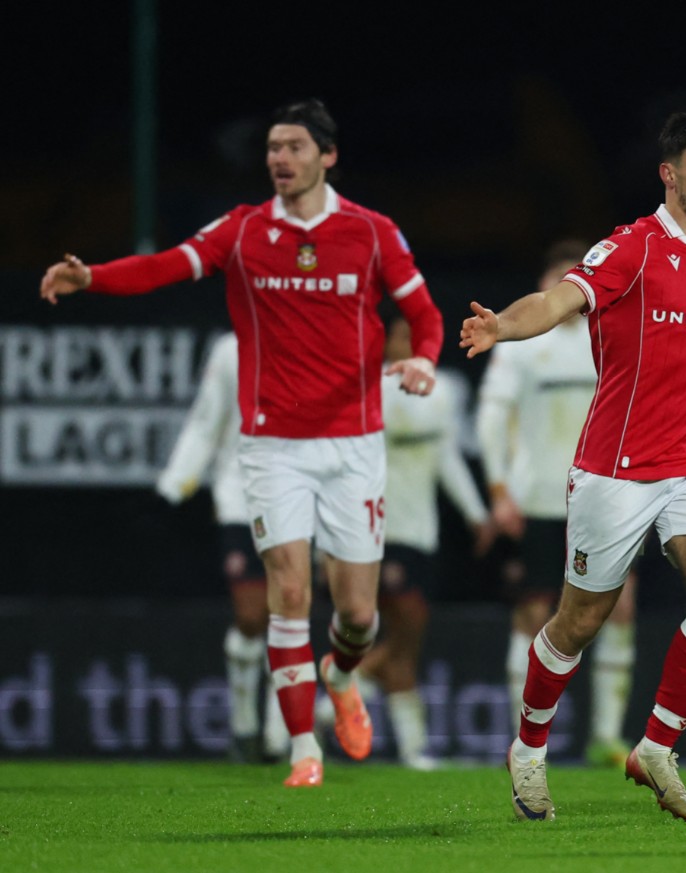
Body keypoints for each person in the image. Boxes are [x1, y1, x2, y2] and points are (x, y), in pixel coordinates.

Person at [39, 98, 446, 788]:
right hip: (272, 446)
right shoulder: (242, 229)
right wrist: (93, 277)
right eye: (271, 148)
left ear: (327, 155)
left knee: (357, 614)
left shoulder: (372, 232)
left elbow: (423, 312)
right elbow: (165, 266)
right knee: (288, 593)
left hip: (353, 442)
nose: (279, 159)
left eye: (292, 147)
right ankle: (300, 750)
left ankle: (339, 675)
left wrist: (426, 358)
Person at [460, 110, 686, 822]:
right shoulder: (630, 247)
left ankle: (657, 745)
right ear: (669, 173)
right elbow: (559, 300)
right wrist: (503, 325)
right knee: (578, 620)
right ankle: (529, 746)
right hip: (617, 468)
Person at [476, 238, 641, 770]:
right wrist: (500, 490)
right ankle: (519, 739)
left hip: (604, 498)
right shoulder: (520, 346)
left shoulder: (610, 337)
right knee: (532, 615)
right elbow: (490, 419)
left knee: (621, 611)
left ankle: (606, 738)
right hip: (540, 500)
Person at [315, 315, 494, 768]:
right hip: (371, 526)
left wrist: (476, 515)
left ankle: (409, 745)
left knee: (407, 637)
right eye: (401, 338)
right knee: (399, 625)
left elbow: (447, 458)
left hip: (420, 531)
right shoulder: (365, 390)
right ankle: (354, 707)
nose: (410, 346)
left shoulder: (441, 392)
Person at [155, 329, 291, 764]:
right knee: (252, 615)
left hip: (297, 499)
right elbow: (207, 419)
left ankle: (277, 735)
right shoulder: (231, 350)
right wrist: (175, 484)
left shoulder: (315, 337)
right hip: (239, 496)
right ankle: (243, 723)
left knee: (288, 611)